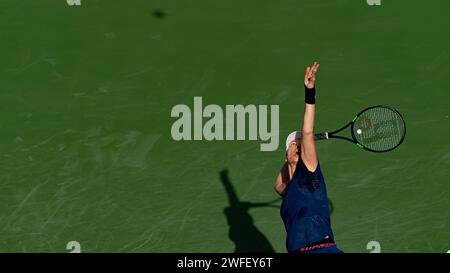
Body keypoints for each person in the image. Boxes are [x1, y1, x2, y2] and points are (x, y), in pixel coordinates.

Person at [274, 62, 343, 253]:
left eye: (302, 144)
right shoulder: (287, 189)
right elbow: (277, 185)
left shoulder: (310, 174)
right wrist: (288, 160)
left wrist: (309, 92)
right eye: (294, 144)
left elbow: (307, 131)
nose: (299, 146)